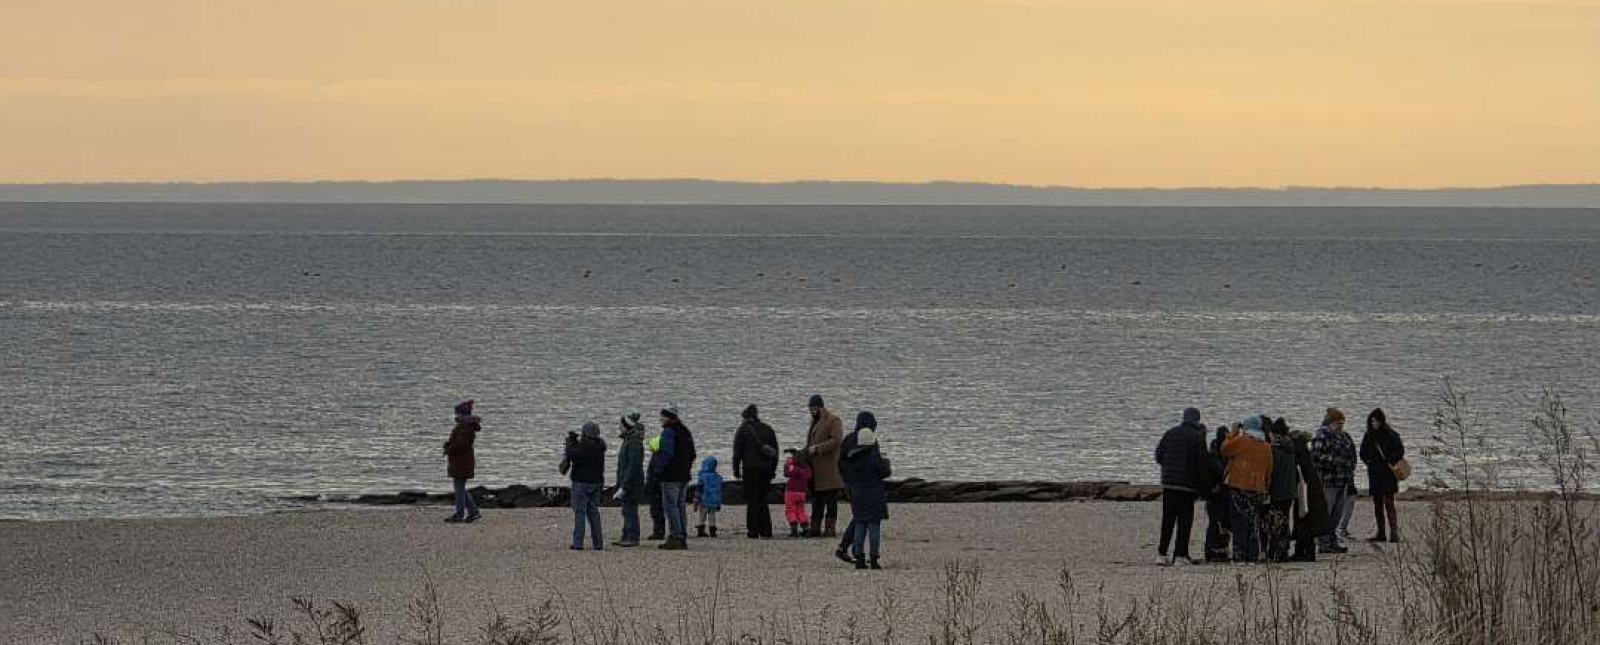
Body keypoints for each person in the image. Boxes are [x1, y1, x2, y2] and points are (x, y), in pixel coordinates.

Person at [1154, 407, 1209, 566]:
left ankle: (1162, 553)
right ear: (1197, 420)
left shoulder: (1169, 433)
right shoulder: (1198, 437)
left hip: (1169, 484)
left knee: (1168, 519)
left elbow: (1158, 456)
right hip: (1187, 485)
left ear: (1184, 418)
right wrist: (1205, 489)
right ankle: (1180, 554)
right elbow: (1202, 466)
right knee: (1185, 520)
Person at [841, 411, 890, 570]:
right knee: (874, 526)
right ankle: (874, 558)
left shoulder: (850, 453)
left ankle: (859, 557)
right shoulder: (874, 455)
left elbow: (841, 464)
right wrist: (885, 461)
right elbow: (884, 472)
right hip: (873, 492)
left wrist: (847, 483)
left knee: (860, 523)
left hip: (855, 489)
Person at [1221, 416, 1273, 562]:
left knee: (1239, 521)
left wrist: (1232, 433)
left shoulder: (1242, 441)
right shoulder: (1266, 445)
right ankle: (1252, 555)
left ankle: (1240, 556)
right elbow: (1269, 469)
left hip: (1239, 484)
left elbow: (1225, 449)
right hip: (1257, 487)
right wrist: (1266, 486)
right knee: (1253, 521)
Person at [1310, 408, 1357, 553]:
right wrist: (1336, 461)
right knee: (1326, 513)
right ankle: (1323, 542)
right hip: (1327, 482)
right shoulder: (1320, 437)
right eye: (1338, 424)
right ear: (1330, 423)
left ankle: (1332, 540)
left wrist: (1350, 467)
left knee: (1337, 514)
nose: (1340, 427)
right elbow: (1316, 458)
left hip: (1343, 481)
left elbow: (1353, 454)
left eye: (1342, 423)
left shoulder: (1345, 437)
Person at [732, 405, 781, 539]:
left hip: (750, 469)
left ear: (745, 417)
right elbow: (775, 452)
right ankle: (766, 531)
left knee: (752, 499)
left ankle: (753, 531)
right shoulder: (768, 429)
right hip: (766, 470)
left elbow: (737, 453)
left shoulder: (742, 430)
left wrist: (736, 471)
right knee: (762, 499)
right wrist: (773, 470)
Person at [1284, 419, 1329, 562]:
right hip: (1312, 492)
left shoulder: (1298, 457)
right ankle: (1307, 550)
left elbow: (1300, 477)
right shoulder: (1306, 455)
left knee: (1303, 521)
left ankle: (1302, 551)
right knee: (1308, 522)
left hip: (1304, 492)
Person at [653, 403, 697, 550]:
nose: (661, 419)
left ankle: (675, 536)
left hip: (670, 475)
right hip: (684, 474)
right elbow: (693, 454)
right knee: (680, 506)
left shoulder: (668, 432)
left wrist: (657, 470)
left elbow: (666, 453)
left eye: (662, 416)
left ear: (668, 417)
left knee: (671, 506)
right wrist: (686, 466)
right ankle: (682, 535)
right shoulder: (685, 431)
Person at [1359, 408, 1405, 543]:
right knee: (1378, 503)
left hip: (1387, 472)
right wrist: (1370, 462)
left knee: (1388, 502)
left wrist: (1388, 461)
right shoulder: (1370, 435)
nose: (1374, 423)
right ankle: (1382, 532)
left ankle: (1393, 532)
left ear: (1381, 421)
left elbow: (1400, 451)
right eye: (1372, 421)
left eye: (1376, 420)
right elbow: (1362, 452)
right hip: (1376, 473)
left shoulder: (1391, 435)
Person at [804, 395, 845, 538]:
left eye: (814, 409)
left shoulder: (833, 421)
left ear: (821, 407)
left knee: (831, 501)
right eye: (810, 409)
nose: (812, 411)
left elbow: (837, 441)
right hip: (815, 470)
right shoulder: (814, 422)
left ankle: (829, 529)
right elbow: (810, 443)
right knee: (816, 500)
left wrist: (817, 449)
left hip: (829, 469)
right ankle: (814, 528)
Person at [565, 421, 608, 550]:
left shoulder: (584, 446)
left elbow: (571, 454)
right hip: (597, 483)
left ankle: (578, 543)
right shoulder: (600, 446)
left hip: (581, 483)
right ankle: (598, 543)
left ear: (585, 433)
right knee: (594, 512)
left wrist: (570, 442)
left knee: (580, 512)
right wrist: (574, 442)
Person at [1264, 417, 1299, 562]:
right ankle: (1283, 550)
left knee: (1275, 522)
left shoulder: (1274, 451)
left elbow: (1272, 472)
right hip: (1289, 491)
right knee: (1284, 521)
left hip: (1277, 491)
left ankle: (1275, 551)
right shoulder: (1291, 448)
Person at [442, 400, 482, 524]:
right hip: (461, 462)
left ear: (464, 415)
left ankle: (460, 514)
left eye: (458, 414)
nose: (456, 416)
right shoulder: (465, 426)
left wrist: (449, 449)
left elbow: (460, 445)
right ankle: (473, 512)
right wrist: (449, 445)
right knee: (460, 488)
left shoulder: (465, 428)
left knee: (459, 489)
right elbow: (458, 443)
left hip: (461, 462)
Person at [612, 412, 647, 547]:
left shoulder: (634, 442)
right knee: (626, 510)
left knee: (630, 510)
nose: (619, 427)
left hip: (632, 483)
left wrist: (624, 485)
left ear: (627, 426)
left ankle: (632, 537)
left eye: (621, 425)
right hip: (627, 481)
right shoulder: (629, 440)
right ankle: (627, 535)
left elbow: (633, 466)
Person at [1202, 425, 1232, 562]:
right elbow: (1219, 471)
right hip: (1219, 492)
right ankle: (1214, 550)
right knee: (1217, 522)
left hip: (1218, 492)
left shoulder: (1213, 452)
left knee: (1218, 522)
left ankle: (1217, 550)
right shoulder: (1217, 454)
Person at [782, 448, 812, 538]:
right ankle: (806, 529)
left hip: (791, 491)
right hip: (802, 492)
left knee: (790, 510)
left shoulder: (793, 466)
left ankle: (794, 530)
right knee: (801, 511)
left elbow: (787, 473)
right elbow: (809, 476)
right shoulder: (807, 468)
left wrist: (788, 464)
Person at [695, 456, 724, 538]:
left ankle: (701, 531)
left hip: (703, 500)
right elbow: (719, 491)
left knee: (702, 515)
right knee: (712, 516)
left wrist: (696, 499)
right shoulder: (718, 477)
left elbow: (699, 489)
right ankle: (712, 532)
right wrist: (719, 503)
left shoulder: (702, 476)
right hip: (714, 500)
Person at [645, 433, 666, 541]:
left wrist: (650, 486)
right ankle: (660, 530)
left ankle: (658, 531)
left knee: (656, 510)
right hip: (659, 486)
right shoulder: (662, 456)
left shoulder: (656, 458)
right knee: (659, 509)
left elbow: (654, 473)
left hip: (655, 487)